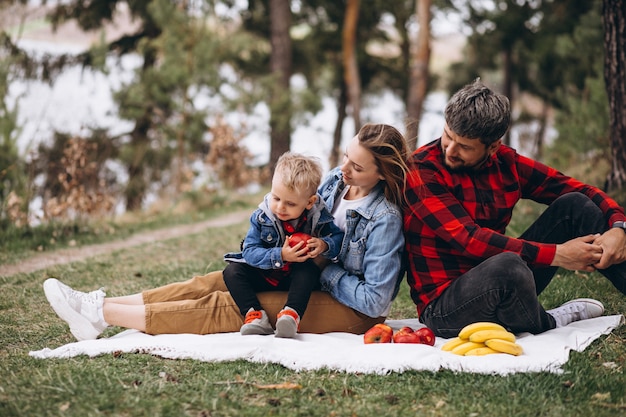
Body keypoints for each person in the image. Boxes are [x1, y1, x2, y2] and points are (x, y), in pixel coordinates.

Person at [43, 123, 409, 341]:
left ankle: (104, 316)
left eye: (356, 166)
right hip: (299, 273)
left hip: (351, 308)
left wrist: (321, 264)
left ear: (382, 173)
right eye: (346, 156)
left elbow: (375, 301)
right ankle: (99, 307)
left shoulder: (384, 218)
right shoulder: (333, 182)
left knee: (227, 307)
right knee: (210, 283)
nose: (343, 168)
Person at [403, 79, 626, 338]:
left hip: (505, 281)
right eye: (448, 136)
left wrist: (619, 227)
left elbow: (579, 188)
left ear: (493, 146)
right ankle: (549, 322)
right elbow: (469, 239)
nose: (450, 150)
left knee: (574, 205)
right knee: (508, 265)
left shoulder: (507, 163)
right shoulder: (421, 170)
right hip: (445, 308)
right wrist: (558, 254)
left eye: (464, 146)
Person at [222, 152, 343, 338]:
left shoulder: (319, 217)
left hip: (295, 279)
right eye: (276, 198)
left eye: (290, 203)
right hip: (265, 273)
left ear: (310, 202)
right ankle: (254, 316)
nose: (280, 207)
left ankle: (291, 315)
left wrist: (324, 245)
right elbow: (250, 252)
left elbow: (338, 238)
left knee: (308, 271)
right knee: (231, 272)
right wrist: (281, 255)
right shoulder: (262, 217)